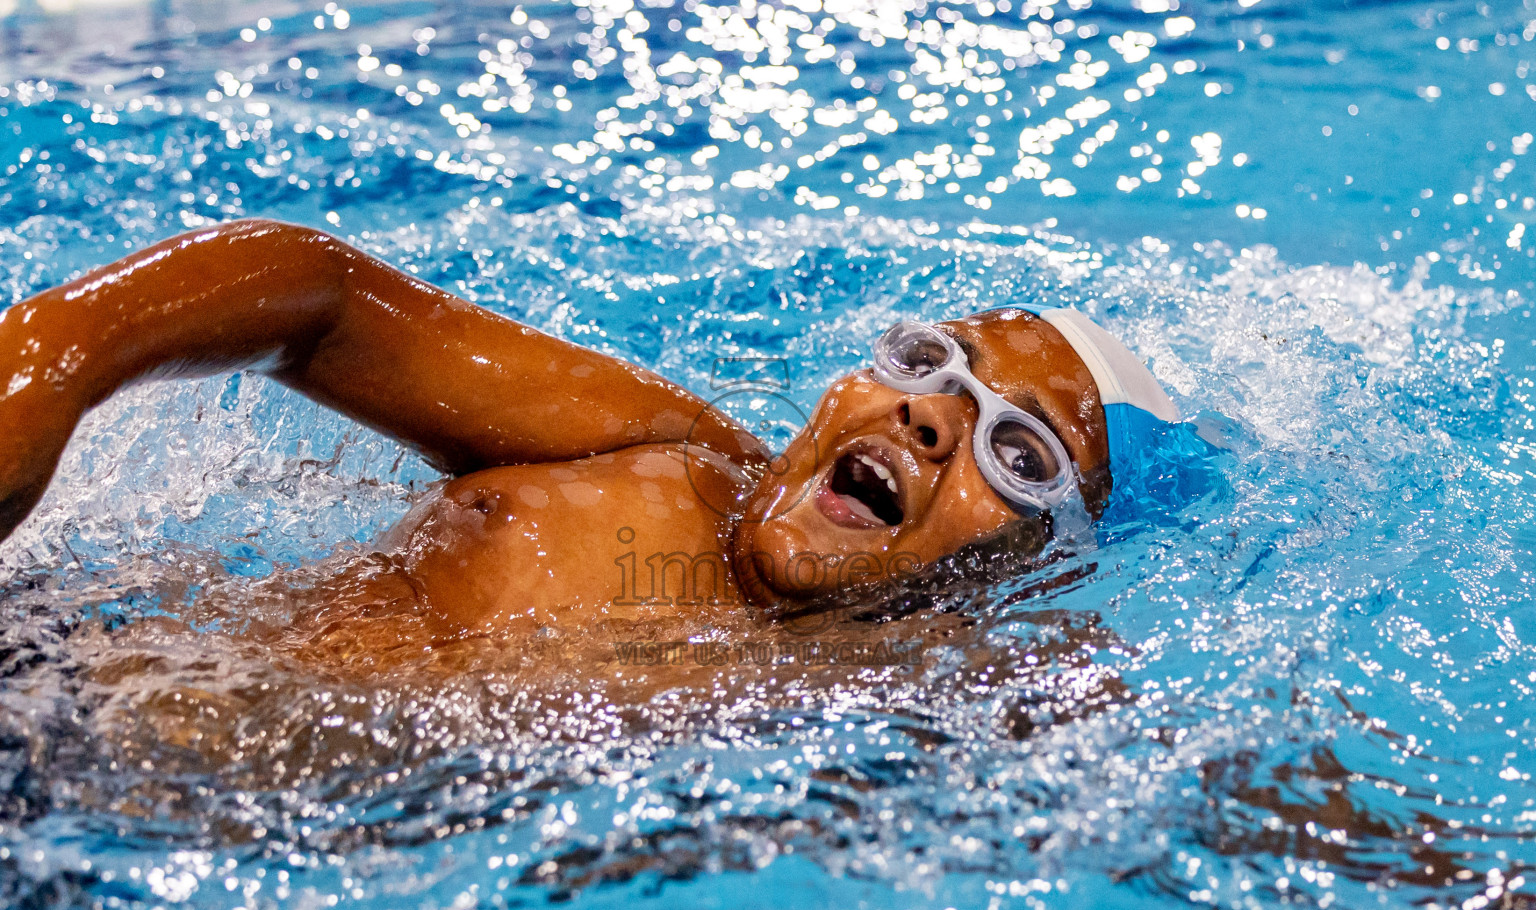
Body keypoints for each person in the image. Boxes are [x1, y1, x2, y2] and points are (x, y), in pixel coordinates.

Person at [0, 218, 1178, 645]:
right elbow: (325, 305)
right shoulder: (665, 455)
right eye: (932, 363)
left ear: (1042, 561)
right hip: (54, 674)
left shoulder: (946, 685)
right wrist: (54, 363)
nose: (932, 418)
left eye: (1020, 456)